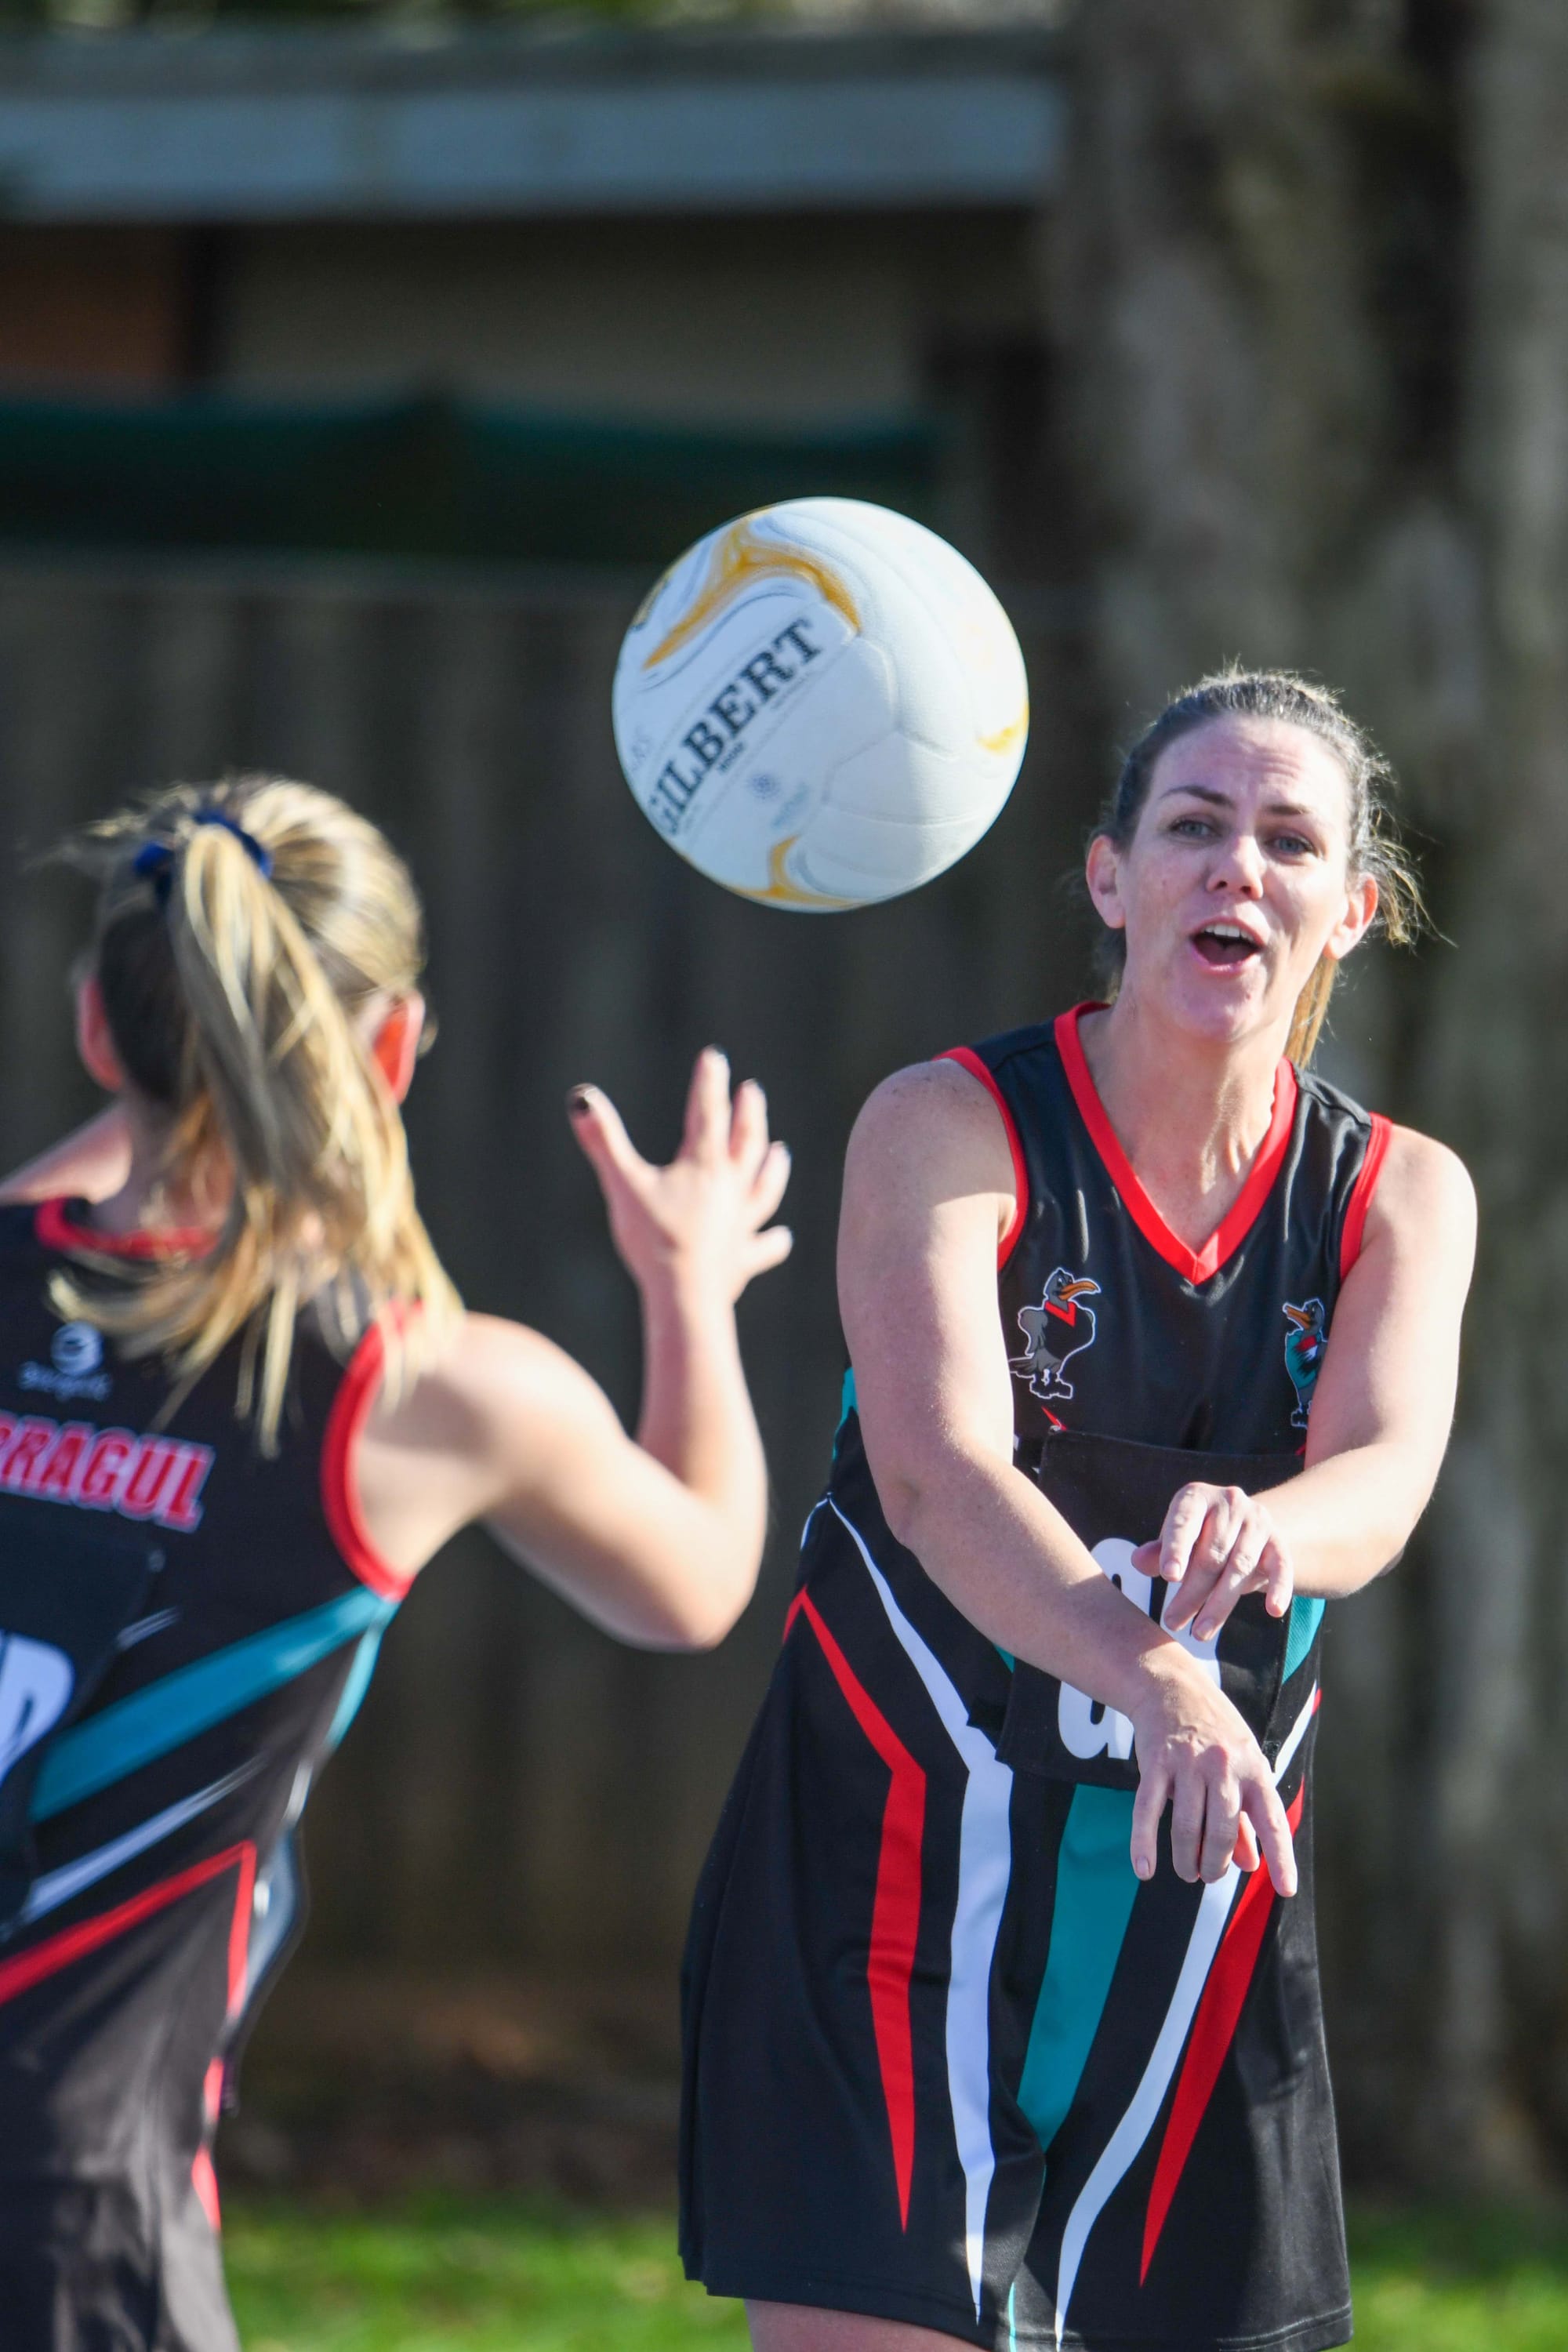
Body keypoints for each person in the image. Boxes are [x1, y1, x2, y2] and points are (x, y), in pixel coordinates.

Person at [680, 670, 1476, 2352]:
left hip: (1190, 1925)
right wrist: (1165, 1674)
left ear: (1355, 909)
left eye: (1285, 841)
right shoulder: (949, 1126)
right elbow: (936, 1475)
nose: (1233, 871)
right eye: (1189, 827)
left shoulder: (1395, 1192)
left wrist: (1279, 1532)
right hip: (884, 1892)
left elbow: (1384, 1476)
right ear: (1109, 878)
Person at [0, 777, 791, 2352]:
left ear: (96, 1033)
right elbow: (695, 1579)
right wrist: (687, 1284)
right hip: (67, 2194)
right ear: (390, 1049)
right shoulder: (415, 1385)